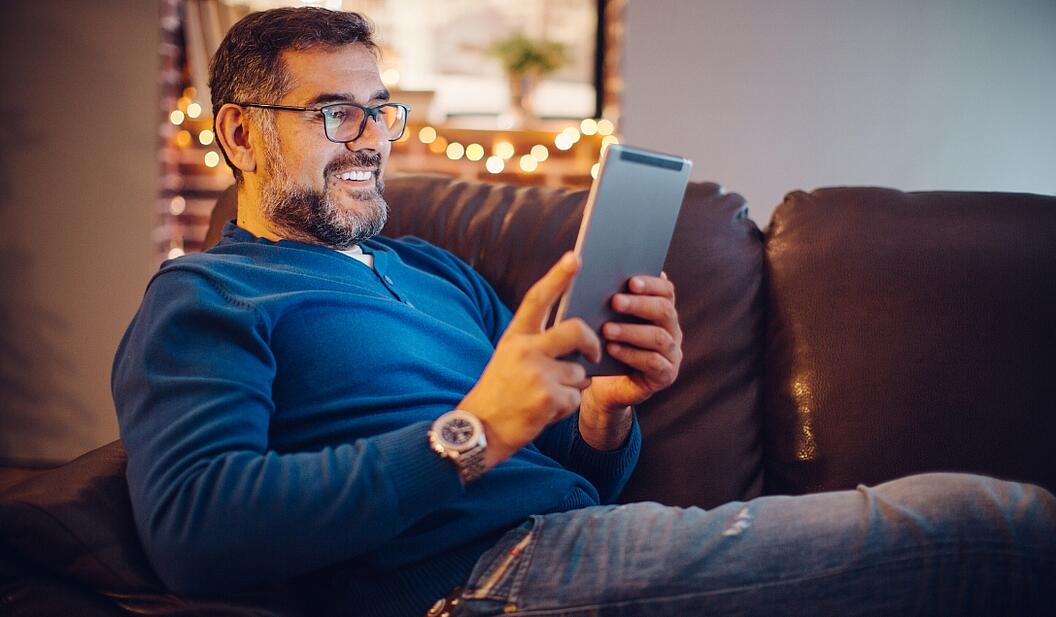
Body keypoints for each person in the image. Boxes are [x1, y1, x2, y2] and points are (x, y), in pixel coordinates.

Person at [112, 7, 1055, 617]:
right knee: (995, 525)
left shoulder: (432, 269)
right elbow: (198, 534)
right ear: (238, 131)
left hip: (563, 548)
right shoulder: (207, 297)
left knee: (998, 524)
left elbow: (571, 477)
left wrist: (605, 410)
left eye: (381, 112)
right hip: (466, 580)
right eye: (334, 115)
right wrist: (472, 432)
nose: (370, 142)